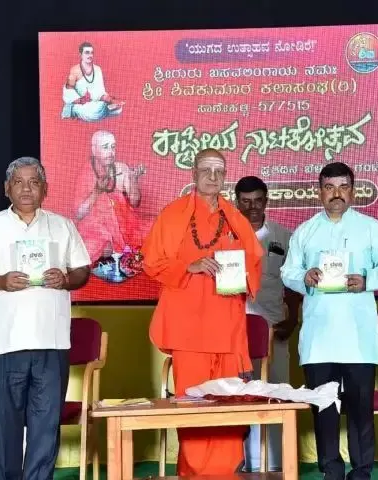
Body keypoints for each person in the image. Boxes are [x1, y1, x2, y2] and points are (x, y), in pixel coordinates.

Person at [0, 157, 91, 480]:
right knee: (4, 429)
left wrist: (66, 279)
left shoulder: (63, 226)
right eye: (18, 182)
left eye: (34, 182)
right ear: (7, 188)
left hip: (51, 344)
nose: (26, 189)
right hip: (3, 345)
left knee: (46, 429)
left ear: (45, 189)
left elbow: (83, 270)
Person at [142, 148, 264, 475]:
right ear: (193, 173)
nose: (213, 176)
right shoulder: (173, 214)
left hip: (227, 329)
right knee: (194, 407)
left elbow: (254, 262)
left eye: (219, 171)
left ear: (225, 177)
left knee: (228, 408)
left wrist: (242, 277)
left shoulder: (234, 218)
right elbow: (152, 262)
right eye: (206, 170)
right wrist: (189, 266)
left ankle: (224, 473)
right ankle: (196, 473)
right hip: (189, 331)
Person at [281, 162, 378, 480]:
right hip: (319, 337)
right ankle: (331, 470)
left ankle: (361, 471)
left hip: (358, 336)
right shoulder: (306, 231)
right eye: (329, 187)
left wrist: (367, 280)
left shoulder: (371, 228)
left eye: (343, 187)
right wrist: (304, 277)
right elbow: (288, 271)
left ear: (353, 190)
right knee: (325, 407)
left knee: (361, 408)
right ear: (319, 191)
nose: (336, 194)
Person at [234, 175, 301, 472]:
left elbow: (294, 285)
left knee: (276, 395)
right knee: (237, 398)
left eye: (258, 201)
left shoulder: (284, 237)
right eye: (245, 202)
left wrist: (293, 319)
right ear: (237, 202)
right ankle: (240, 464)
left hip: (274, 328)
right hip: (235, 333)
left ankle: (275, 464)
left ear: (266, 201)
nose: (252, 207)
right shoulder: (226, 235)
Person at [74, 130, 146, 263]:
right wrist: (97, 192)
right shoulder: (86, 174)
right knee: (94, 248)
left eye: (113, 147)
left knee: (152, 234)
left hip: (124, 225)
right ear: (94, 150)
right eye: (105, 147)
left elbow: (135, 202)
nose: (111, 152)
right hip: (97, 229)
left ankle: (119, 247)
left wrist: (133, 180)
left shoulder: (122, 168)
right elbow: (79, 214)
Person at [62, 41, 124, 122]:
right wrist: (80, 100)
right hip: (81, 104)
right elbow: (68, 90)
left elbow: (100, 92)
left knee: (118, 109)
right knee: (94, 111)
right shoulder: (75, 70)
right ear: (81, 54)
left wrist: (111, 101)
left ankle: (102, 110)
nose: (90, 55)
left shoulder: (97, 69)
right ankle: (76, 111)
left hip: (96, 103)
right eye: (87, 52)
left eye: (92, 53)